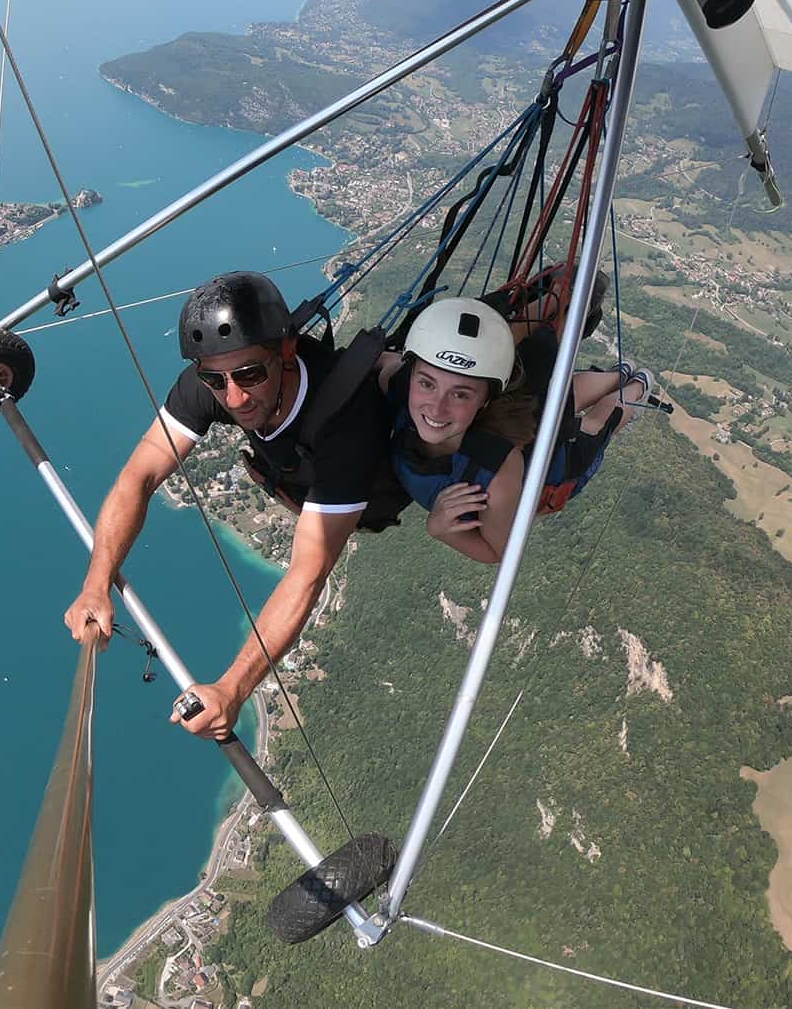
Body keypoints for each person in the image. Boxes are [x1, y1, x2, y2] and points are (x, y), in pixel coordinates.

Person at [62, 271, 394, 739]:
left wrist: (232, 689)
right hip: (300, 475)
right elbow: (139, 476)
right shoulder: (216, 381)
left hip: (368, 486)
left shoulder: (345, 422)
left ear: (286, 352)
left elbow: (307, 573)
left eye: (250, 375)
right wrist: (97, 582)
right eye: (214, 379)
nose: (234, 396)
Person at [377, 294, 653, 564]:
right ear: (411, 375)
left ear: (485, 400)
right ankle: (617, 374)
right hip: (523, 418)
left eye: (460, 394)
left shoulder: (498, 469)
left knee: (596, 424)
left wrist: (438, 529)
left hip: (553, 466)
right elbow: (383, 361)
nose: (436, 409)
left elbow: (496, 552)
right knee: (562, 399)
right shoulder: (398, 385)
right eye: (427, 384)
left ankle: (638, 386)